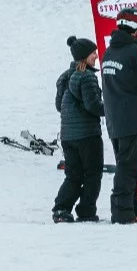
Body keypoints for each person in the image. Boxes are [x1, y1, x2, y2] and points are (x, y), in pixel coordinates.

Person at [98, 11, 137, 224]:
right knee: (129, 169)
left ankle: (135, 209)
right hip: (135, 120)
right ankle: (122, 212)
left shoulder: (108, 54)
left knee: (125, 165)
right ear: (133, 28)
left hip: (114, 121)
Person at [52, 36, 104, 222]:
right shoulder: (87, 76)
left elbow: (59, 105)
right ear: (83, 56)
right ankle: (86, 211)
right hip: (87, 135)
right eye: (93, 53)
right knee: (92, 174)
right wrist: (113, 109)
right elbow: (93, 106)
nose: (97, 56)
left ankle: (61, 209)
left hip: (68, 136)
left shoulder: (65, 77)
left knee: (73, 175)